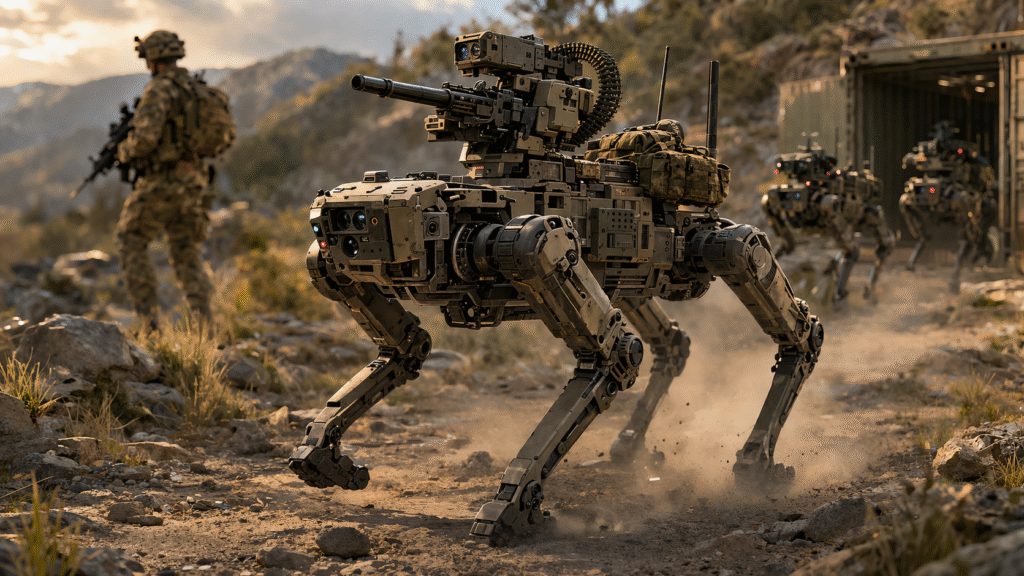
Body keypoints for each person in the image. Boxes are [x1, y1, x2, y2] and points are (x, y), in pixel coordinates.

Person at [116, 30, 216, 333]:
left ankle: (149, 327)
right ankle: (207, 329)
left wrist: (123, 151)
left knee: (130, 241)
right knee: (186, 251)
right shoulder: (195, 88)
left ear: (153, 59)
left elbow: (145, 138)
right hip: (195, 182)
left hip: (164, 181)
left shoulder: (159, 89)